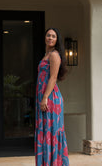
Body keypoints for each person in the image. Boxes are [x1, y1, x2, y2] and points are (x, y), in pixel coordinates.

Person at [35, 28, 69, 166]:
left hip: (50, 99)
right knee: (44, 132)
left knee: (51, 132)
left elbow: (53, 78)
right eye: (48, 35)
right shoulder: (46, 55)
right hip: (44, 97)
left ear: (56, 40)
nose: (50, 38)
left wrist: (45, 98)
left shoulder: (54, 55)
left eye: (53, 36)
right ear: (45, 38)